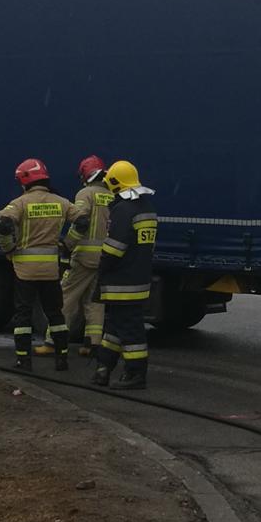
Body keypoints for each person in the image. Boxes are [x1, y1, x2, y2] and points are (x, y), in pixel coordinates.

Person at [0, 158, 75, 371]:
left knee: (23, 314)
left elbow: (3, 224)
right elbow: (83, 221)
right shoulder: (62, 202)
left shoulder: (20, 203)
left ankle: (24, 360)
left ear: (24, 181)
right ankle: (62, 359)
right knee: (55, 314)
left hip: (25, 272)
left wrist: (8, 248)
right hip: (51, 271)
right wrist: (68, 243)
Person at [93, 160, 158, 389]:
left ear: (114, 183)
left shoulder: (123, 210)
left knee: (131, 332)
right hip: (139, 280)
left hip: (121, 283)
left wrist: (100, 269)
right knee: (114, 329)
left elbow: (113, 250)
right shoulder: (146, 207)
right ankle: (103, 369)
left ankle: (135, 375)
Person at [57, 155, 111, 357]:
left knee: (66, 297)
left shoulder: (85, 193)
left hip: (84, 257)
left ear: (86, 175)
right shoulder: (111, 194)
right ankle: (92, 344)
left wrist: (67, 244)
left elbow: (80, 222)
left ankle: (54, 341)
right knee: (95, 302)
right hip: (105, 257)